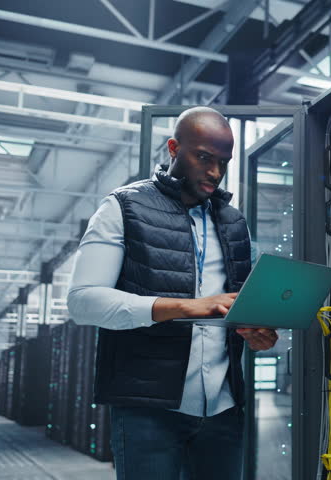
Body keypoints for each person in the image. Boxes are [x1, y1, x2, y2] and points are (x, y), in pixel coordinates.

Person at [67, 106, 278, 480]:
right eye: (203, 157)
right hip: (148, 412)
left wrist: (255, 333)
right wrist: (188, 306)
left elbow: (235, 309)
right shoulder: (123, 206)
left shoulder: (233, 222)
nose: (214, 171)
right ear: (173, 148)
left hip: (224, 409)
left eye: (223, 161)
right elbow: (83, 302)